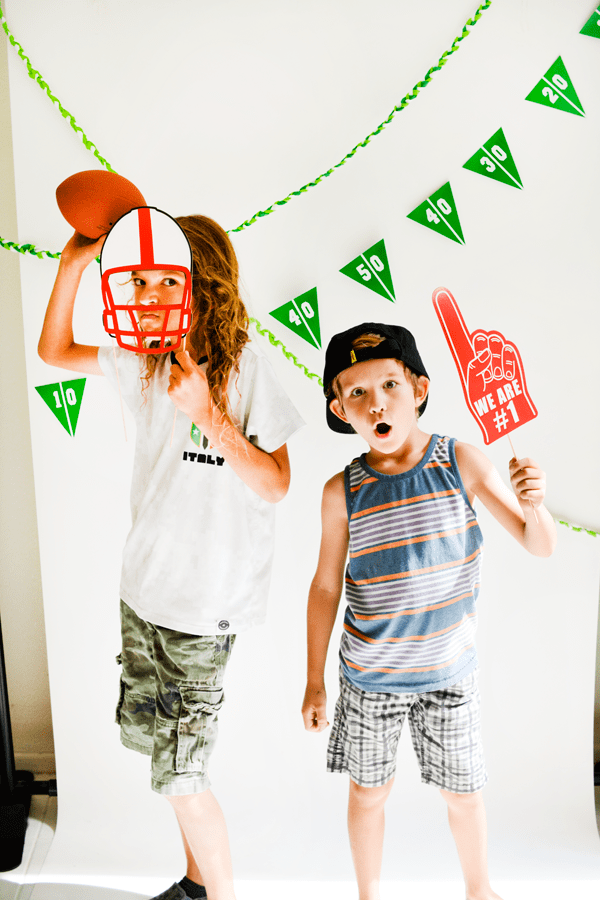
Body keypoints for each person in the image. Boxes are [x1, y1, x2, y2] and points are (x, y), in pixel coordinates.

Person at [39, 213, 304, 900]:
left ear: (203, 281)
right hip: (143, 592)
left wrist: (207, 413)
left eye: (168, 279)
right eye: (143, 278)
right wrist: (73, 264)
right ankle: (194, 882)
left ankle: (220, 894)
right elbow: (54, 350)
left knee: (184, 778)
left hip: (202, 607)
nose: (152, 294)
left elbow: (276, 485)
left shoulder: (245, 368)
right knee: (160, 756)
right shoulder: (143, 358)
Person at [301, 322, 556, 900]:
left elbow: (538, 545)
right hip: (370, 680)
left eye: (389, 384)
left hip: (449, 675)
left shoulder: (460, 461)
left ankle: (479, 890)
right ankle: (369, 895)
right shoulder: (341, 492)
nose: (376, 403)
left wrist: (534, 504)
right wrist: (314, 681)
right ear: (340, 408)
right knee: (368, 793)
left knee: (464, 794)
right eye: (358, 393)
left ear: (419, 388)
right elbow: (323, 588)